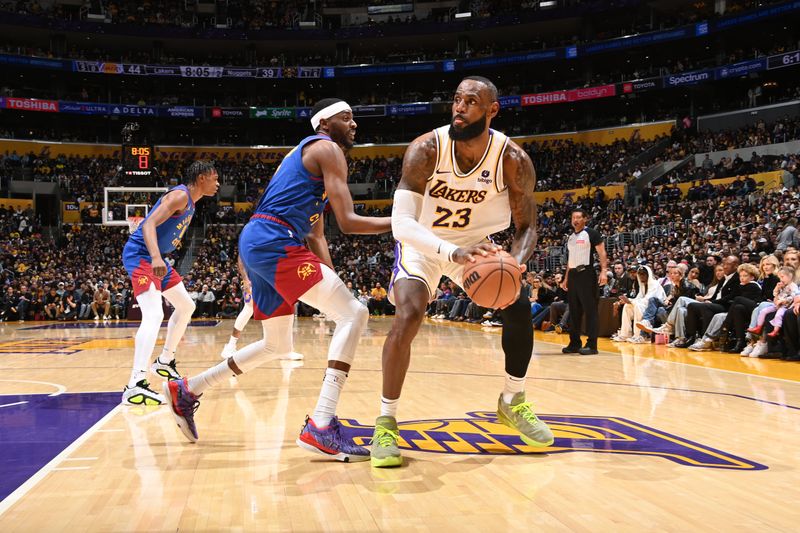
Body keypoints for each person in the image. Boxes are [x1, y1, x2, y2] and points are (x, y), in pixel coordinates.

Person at [164, 98, 391, 463]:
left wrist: (333, 280)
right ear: (324, 123)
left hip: (262, 239)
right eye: (346, 117)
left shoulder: (305, 164)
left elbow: (318, 237)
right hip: (274, 241)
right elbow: (348, 221)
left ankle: (187, 390)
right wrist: (403, 224)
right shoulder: (328, 149)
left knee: (277, 345)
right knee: (355, 315)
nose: (354, 124)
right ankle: (321, 424)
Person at [370, 76, 553, 469]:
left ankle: (512, 400)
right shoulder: (426, 150)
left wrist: (516, 266)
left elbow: (527, 227)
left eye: (471, 101)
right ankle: (386, 421)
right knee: (409, 313)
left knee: (518, 305)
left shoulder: (512, 159)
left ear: (492, 110)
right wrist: (453, 251)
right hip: (425, 243)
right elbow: (401, 226)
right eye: (456, 100)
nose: (459, 107)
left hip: (476, 245)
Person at [120, 161, 219, 405]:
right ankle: (135, 384)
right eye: (215, 178)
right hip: (142, 255)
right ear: (202, 178)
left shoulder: (191, 203)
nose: (218, 184)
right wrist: (155, 256)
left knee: (186, 306)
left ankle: (164, 361)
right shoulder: (179, 196)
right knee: (153, 315)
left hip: (157, 258)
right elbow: (149, 224)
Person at [220, 255, 303, 361]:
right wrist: (245, 279)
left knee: (284, 311)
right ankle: (230, 346)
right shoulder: (251, 239)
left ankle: (286, 350)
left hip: (274, 276)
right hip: (255, 277)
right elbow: (241, 256)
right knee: (249, 309)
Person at [562, 208, 609, 355]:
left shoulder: (591, 233)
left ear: (585, 219)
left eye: (578, 217)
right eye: (573, 218)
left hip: (586, 274)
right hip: (574, 276)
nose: (575, 220)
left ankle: (592, 345)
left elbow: (602, 253)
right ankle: (575, 343)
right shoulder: (570, 237)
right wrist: (566, 278)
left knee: (590, 310)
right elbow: (570, 261)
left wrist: (603, 271)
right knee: (574, 311)